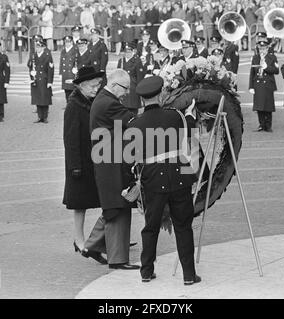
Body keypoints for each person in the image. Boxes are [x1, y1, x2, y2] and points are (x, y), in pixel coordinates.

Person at [128, 76, 201, 285]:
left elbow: (131, 155)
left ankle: (146, 271)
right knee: (183, 226)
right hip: (180, 175)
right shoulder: (175, 116)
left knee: (150, 227)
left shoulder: (135, 123)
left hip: (152, 178)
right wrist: (190, 114)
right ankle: (188, 275)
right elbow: (189, 128)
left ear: (142, 100)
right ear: (160, 94)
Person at [85, 69, 139, 270]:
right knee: (118, 206)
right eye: (125, 89)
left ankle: (92, 245)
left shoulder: (104, 99)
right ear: (115, 85)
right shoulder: (109, 103)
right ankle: (117, 259)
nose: (126, 93)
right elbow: (134, 122)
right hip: (111, 162)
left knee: (115, 205)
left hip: (109, 160)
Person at [63, 66, 104, 255]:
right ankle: (78, 239)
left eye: (98, 85)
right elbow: (70, 139)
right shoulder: (74, 105)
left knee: (103, 200)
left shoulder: (91, 100)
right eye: (94, 86)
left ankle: (106, 237)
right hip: (80, 162)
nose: (97, 89)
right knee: (80, 205)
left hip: (94, 158)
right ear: (83, 85)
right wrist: (75, 167)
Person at [249, 39, 279, 132]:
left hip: (268, 84)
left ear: (267, 49)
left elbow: (276, 71)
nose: (262, 51)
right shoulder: (255, 58)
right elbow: (252, 73)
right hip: (258, 84)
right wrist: (251, 86)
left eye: (264, 49)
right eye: (260, 49)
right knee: (259, 106)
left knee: (268, 106)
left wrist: (266, 67)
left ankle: (268, 125)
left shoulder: (272, 57)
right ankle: (261, 124)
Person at [28, 39, 54, 123]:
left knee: (44, 99)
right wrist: (31, 75)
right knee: (37, 99)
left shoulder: (47, 56)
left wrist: (50, 82)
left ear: (43, 47)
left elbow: (50, 70)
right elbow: (30, 67)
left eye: (39, 47)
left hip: (44, 79)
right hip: (35, 79)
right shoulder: (33, 56)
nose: (38, 49)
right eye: (37, 47)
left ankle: (45, 117)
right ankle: (39, 117)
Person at [117, 42, 141, 110]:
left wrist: (139, 89)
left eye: (129, 52)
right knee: (120, 111)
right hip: (122, 88)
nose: (128, 53)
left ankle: (132, 120)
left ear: (132, 52)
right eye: (126, 52)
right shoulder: (121, 61)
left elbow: (139, 77)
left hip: (132, 88)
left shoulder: (137, 61)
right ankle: (118, 121)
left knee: (132, 109)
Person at [59, 36, 77, 103]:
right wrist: (60, 73)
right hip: (65, 74)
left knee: (72, 91)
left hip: (71, 74)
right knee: (66, 91)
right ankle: (68, 104)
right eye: (66, 42)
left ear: (72, 42)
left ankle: (72, 105)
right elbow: (61, 62)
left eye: (69, 42)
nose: (67, 43)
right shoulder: (63, 51)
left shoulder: (75, 50)